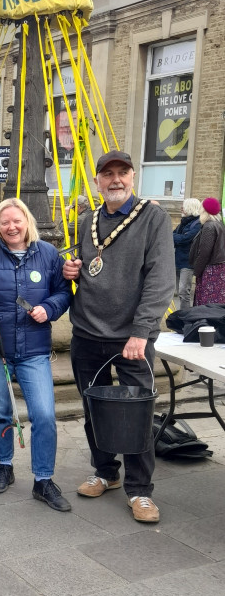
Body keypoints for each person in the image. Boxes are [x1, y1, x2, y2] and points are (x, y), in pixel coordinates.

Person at [63, 150, 175, 523]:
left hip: (131, 339)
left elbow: (161, 279)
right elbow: (86, 266)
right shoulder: (87, 220)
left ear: (132, 177)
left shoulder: (153, 218)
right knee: (93, 408)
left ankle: (140, 491)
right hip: (87, 332)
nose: (115, 180)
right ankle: (105, 472)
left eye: (122, 173)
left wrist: (141, 332)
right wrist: (72, 269)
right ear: (97, 181)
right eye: (107, 174)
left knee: (137, 414)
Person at [0, 198, 72, 511]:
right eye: (4, 222)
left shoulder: (48, 255)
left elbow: (63, 292)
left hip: (34, 349)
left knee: (44, 414)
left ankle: (43, 479)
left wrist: (49, 309)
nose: (11, 227)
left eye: (16, 220)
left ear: (26, 223)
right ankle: (5, 466)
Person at [190, 197, 225, 306]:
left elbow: (204, 253)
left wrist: (196, 272)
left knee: (207, 303)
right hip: (219, 269)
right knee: (217, 302)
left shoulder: (209, 226)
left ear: (205, 210)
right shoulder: (219, 224)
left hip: (211, 270)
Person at [173, 198, 202, 311]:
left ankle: (185, 315)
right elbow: (174, 236)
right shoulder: (183, 222)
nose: (181, 208)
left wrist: (177, 238)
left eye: (184, 206)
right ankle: (181, 314)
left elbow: (185, 239)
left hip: (188, 262)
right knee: (177, 290)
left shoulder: (197, 224)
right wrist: (177, 238)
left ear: (190, 208)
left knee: (184, 291)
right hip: (177, 260)